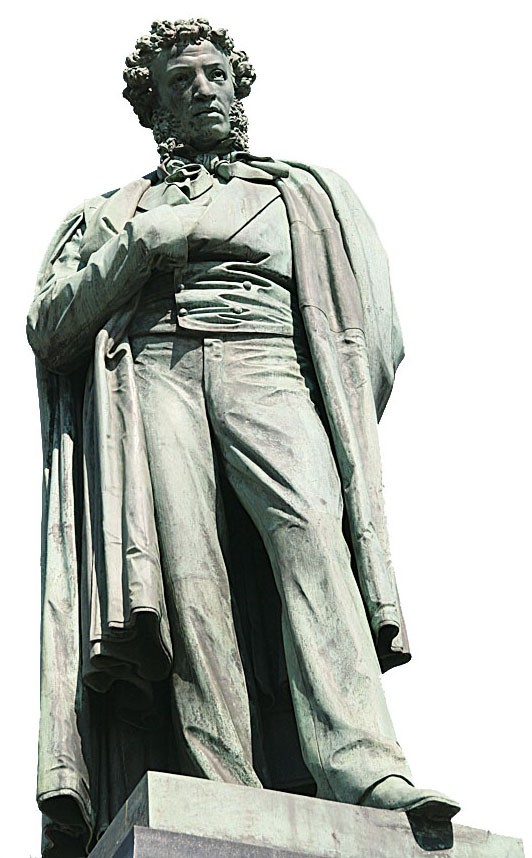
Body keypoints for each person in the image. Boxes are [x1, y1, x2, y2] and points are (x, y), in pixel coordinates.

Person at [27, 18, 459, 857]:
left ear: (238, 87)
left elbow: (372, 334)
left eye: (215, 74)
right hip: (155, 371)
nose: (202, 88)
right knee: (186, 575)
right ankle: (218, 777)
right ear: (156, 107)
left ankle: (365, 764)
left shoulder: (307, 195)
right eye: (181, 80)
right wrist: (137, 250)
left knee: (314, 540)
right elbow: (50, 326)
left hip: (269, 364)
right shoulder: (110, 214)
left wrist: (333, 414)